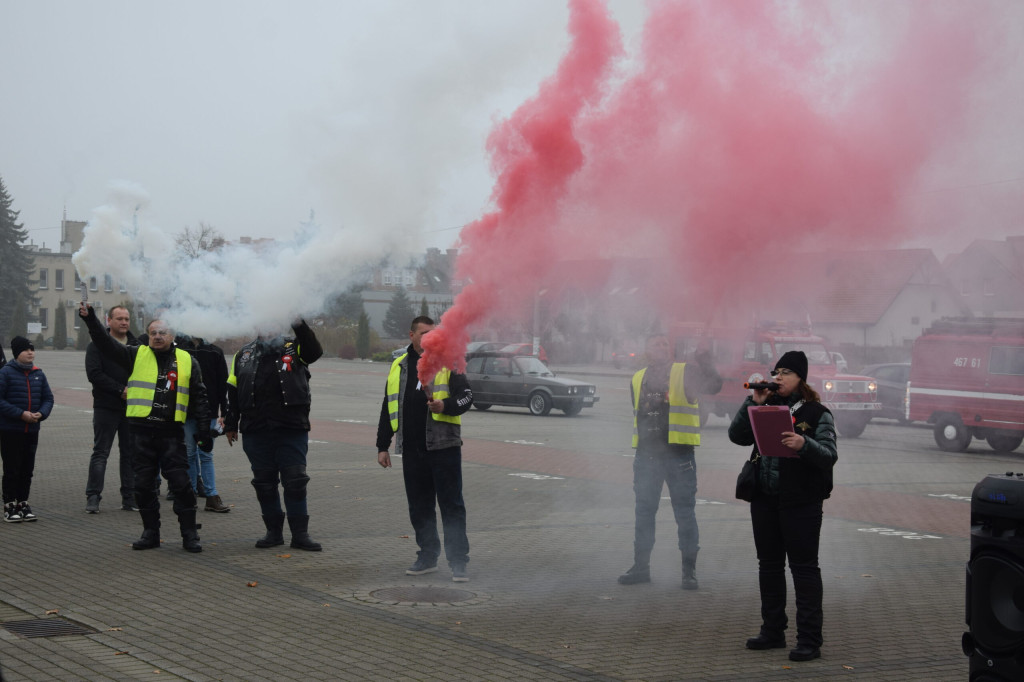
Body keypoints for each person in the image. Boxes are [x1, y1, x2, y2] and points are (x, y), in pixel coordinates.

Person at [727, 350, 837, 662]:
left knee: (803, 569)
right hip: (764, 499)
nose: (778, 378)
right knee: (769, 566)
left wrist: (805, 445)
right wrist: (753, 402)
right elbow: (736, 436)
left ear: (801, 377)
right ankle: (772, 630)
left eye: (786, 373)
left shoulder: (817, 413)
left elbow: (829, 454)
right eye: (776, 372)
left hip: (801, 502)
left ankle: (809, 640)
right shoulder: (766, 407)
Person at [80, 303, 211, 553]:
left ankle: (190, 534)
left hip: (172, 434)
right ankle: (150, 532)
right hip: (141, 433)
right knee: (143, 486)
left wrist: (204, 431)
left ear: (172, 336)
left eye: (162, 332)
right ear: (148, 336)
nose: (157, 337)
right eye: (153, 333)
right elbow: (104, 344)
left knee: (182, 485)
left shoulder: (187, 360)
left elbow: (200, 398)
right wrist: (91, 320)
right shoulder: (135, 354)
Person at [617, 333, 722, 590]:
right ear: (647, 350)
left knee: (684, 513)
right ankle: (641, 568)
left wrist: (706, 360)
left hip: (679, 456)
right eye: (656, 344)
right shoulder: (637, 378)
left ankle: (689, 572)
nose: (662, 347)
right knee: (644, 513)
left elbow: (714, 385)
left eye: (665, 343)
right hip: (647, 456)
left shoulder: (685, 372)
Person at [376, 316, 474, 582]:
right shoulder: (399, 365)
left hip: (444, 448)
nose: (430, 337)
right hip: (412, 449)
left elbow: (467, 397)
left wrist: (446, 406)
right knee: (419, 507)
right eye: (424, 333)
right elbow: (389, 405)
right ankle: (427, 556)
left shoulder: (449, 361)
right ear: (412, 335)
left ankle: (458, 562)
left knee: (451, 506)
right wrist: (382, 445)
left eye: (434, 332)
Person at [224, 319, 323, 551]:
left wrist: (299, 324)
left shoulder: (295, 346)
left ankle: (300, 535)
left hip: (291, 427)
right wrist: (230, 423)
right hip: (255, 429)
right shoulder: (243, 353)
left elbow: (314, 351)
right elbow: (233, 389)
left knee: (295, 481)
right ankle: (273, 533)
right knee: (264, 483)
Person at [84, 305, 138, 513]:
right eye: (119, 318)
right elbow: (94, 374)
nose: (124, 322)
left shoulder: (137, 345)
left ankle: (130, 497)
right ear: (109, 321)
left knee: (130, 453)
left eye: (127, 318)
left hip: (131, 408)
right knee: (101, 452)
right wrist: (119, 390)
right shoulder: (96, 345)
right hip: (106, 407)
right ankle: (93, 496)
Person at [0, 337, 54, 523]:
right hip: (11, 430)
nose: (30, 352)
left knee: (27, 469)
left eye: (32, 349)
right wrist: (20, 414)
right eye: (25, 350)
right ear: (16, 353)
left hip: (32, 430)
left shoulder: (38, 373)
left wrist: (41, 413)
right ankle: (9, 505)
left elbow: (48, 398)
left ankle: (23, 502)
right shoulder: (5, 373)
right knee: (12, 468)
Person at [177, 335, 230, 513]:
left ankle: (211, 496)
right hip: (186, 411)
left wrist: (225, 411)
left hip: (210, 411)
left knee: (205, 454)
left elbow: (223, 384)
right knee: (190, 453)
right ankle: (190, 494)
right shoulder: (180, 351)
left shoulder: (214, 352)